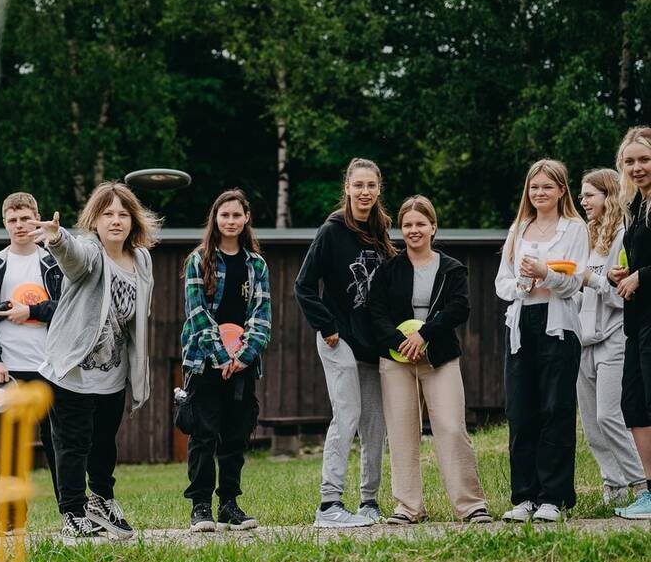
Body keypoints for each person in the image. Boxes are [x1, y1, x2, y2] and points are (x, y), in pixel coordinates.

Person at [30, 182, 159, 539]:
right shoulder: (89, 250)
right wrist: (57, 239)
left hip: (113, 372)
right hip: (72, 370)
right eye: (107, 214)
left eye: (122, 214)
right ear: (95, 220)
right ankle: (72, 511)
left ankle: (101, 500)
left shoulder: (142, 259)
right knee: (72, 443)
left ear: (133, 221)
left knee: (104, 443)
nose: (115, 221)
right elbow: (74, 258)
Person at [368, 195, 491, 524]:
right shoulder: (389, 270)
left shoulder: (452, 268)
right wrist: (401, 342)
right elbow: (375, 313)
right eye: (407, 225)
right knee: (401, 432)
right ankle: (408, 508)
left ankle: (470, 505)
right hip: (396, 361)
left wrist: (425, 335)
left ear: (433, 227)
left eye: (420, 224)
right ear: (401, 230)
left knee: (451, 428)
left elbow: (459, 307)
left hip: (439, 357)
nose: (413, 230)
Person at [295, 157, 395, 528]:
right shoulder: (332, 230)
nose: (365, 192)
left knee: (374, 423)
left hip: (373, 341)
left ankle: (369, 501)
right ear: (348, 188)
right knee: (347, 414)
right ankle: (329, 504)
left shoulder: (383, 230)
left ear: (378, 189)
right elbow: (303, 285)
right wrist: (328, 326)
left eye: (371, 185)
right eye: (358, 186)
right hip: (339, 338)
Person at [495, 159, 588, 522]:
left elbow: (576, 280)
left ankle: (554, 497)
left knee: (556, 409)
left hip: (558, 326)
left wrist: (546, 274)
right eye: (535, 187)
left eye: (547, 187)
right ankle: (525, 497)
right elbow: (502, 282)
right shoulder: (519, 228)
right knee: (521, 410)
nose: (540, 193)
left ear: (562, 190)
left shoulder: (574, 229)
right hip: (521, 324)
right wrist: (522, 283)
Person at [0, 192, 63, 536]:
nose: (20, 226)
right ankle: (11, 518)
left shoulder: (54, 262)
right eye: (13, 220)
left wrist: (32, 311)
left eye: (26, 219)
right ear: (5, 222)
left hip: (51, 366)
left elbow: (68, 309)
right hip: (4, 368)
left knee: (58, 443)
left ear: (36, 218)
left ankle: (71, 515)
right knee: (7, 445)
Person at [180, 189, 271, 532]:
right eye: (224, 215)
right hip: (205, 360)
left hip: (243, 364)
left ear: (246, 218)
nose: (230, 221)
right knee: (204, 433)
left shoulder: (256, 265)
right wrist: (220, 355)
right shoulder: (198, 260)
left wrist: (244, 355)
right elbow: (197, 314)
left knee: (235, 434)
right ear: (215, 219)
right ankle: (200, 505)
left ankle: (229, 504)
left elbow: (262, 314)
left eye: (236, 215)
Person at [576, 169, 646, 507]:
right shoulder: (584, 236)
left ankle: (640, 483)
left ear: (608, 195)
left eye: (590, 195)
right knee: (591, 424)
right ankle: (613, 485)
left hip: (614, 334)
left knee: (609, 415)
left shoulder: (623, 235)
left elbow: (621, 289)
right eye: (582, 195)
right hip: (582, 339)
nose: (583, 201)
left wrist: (588, 278)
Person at [609, 126, 651, 519]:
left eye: (644, 159)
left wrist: (643, 275)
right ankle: (649, 491)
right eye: (630, 161)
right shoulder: (635, 208)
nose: (637, 168)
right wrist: (621, 275)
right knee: (634, 404)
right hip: (637, 322)